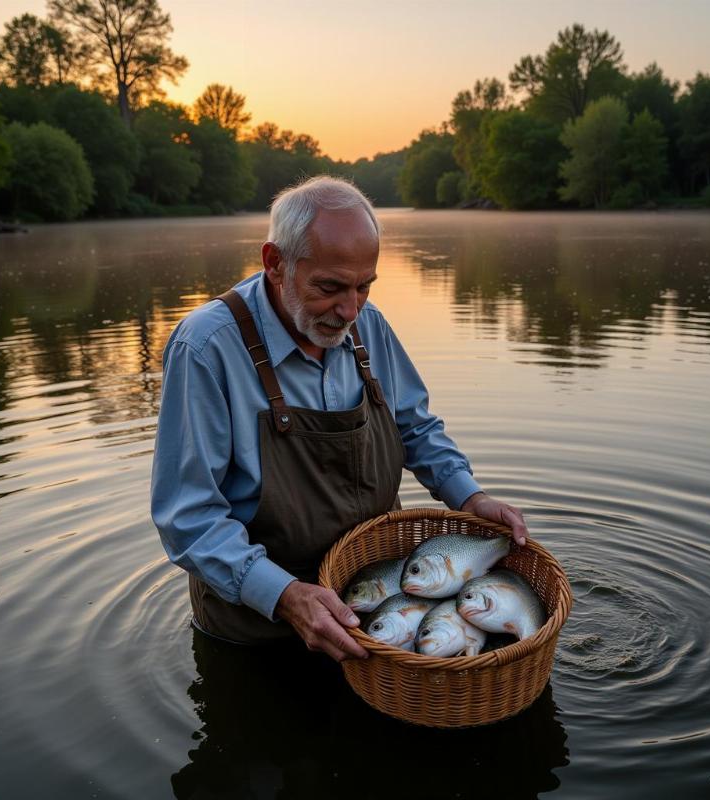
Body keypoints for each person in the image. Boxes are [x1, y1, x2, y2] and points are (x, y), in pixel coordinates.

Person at [151, 176, 529, 662]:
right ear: (275, 263)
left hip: (378, 606)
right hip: (259, 631)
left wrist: (469, 495)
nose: (349, 310)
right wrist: (285, 596)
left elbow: (413, 426)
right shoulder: (205, 348)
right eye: (329, 288)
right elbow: (188, 516)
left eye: (364, 287)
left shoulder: (367, 326)